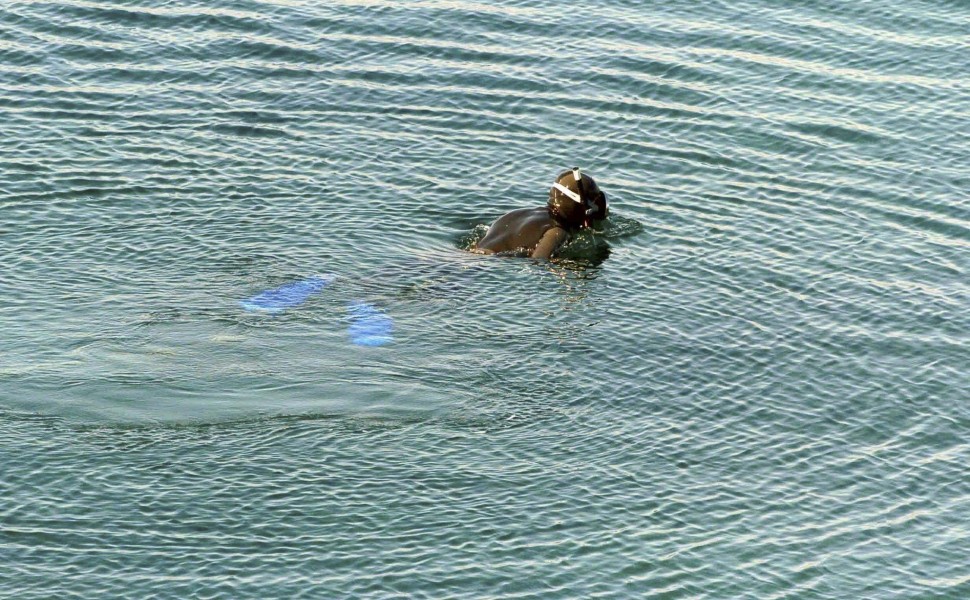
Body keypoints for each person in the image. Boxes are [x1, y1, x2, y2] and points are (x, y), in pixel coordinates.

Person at [472, 168, 609, 259]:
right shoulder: (557, 231)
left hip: (468, 257)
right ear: (580, 207)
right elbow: (538, 262)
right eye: (595, 202)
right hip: (484, 266)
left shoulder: (518, 213)